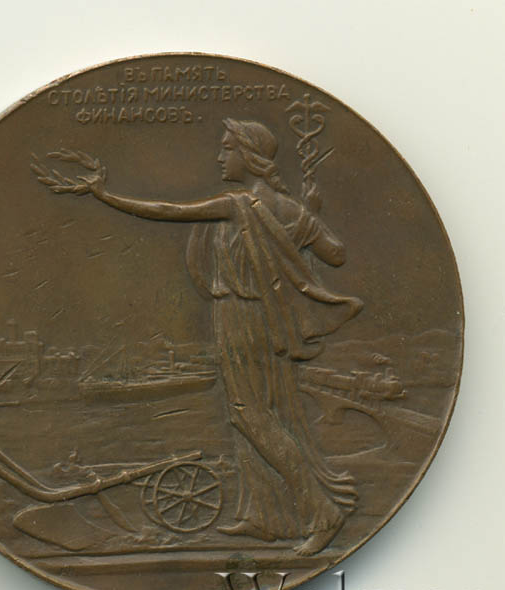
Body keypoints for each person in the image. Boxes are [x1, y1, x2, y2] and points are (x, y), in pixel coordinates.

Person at [76, 118, 363, 555]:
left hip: (241, 317)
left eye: (227, 148)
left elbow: (168, 211)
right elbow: (336, 255)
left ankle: (321, 512)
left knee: (251, 415)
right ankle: (265, 515)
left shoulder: (238, 204)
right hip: (264, 319)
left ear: (250, 156)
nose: (219, 157)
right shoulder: (290, 209)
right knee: (260, 412)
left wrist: (104, 194)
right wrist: (308, 217)